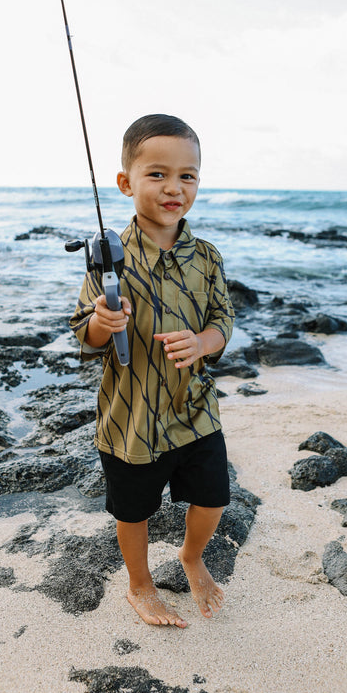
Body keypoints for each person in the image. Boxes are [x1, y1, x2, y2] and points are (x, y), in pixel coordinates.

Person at [70, 114, 235, 628]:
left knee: (213, 497)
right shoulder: (107, 260)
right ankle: (139, 584)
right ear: (126, 183)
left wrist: (204, 341)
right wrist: (102, 321)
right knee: (133, 510)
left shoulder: (206, 257)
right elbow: (85, 336)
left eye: (187, 176)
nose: (174, 187)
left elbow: (222, 320)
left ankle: (190, 555)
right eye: (158, 174)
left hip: (195, 408)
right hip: (131, 415)